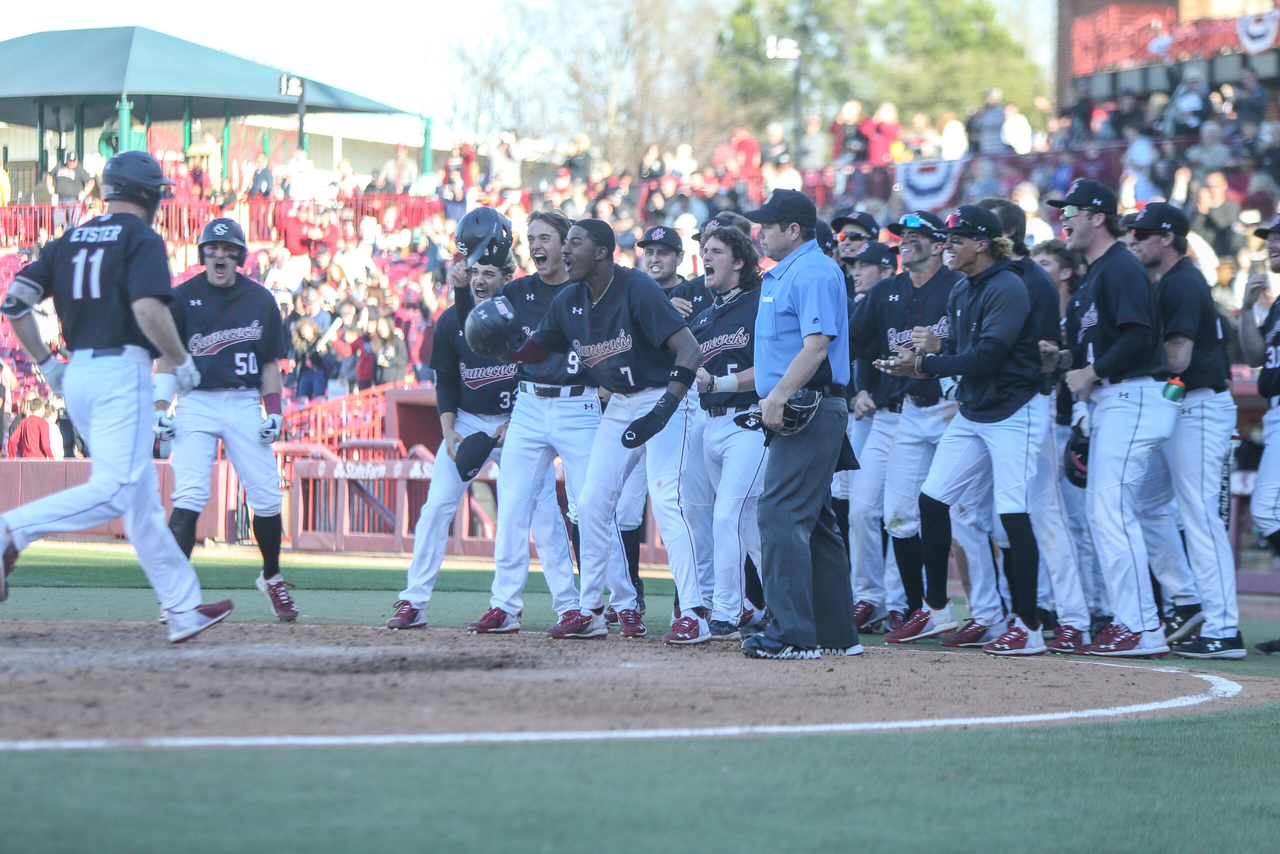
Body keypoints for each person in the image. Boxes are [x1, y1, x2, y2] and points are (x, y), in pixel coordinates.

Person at [0, 150, 232, 641]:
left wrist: (45, 364)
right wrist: (183, 361)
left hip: (77, 373)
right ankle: (9, 530)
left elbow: (15, 302)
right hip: (121, 372)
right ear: (147, 193)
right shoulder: (142, 237)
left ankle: (183, 609)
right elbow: (148, 308)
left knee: (142, 504)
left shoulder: (68, 238)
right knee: (119, 491)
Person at [479, 219, 703, 643]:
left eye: (575, 244)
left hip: (668, 396)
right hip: (621, 403)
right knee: (592, 506)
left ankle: (694, 611)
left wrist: (662, 412)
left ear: (601, 251)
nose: (565, 251)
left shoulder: (637, 287)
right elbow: (533, 350)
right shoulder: (568, 301)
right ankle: (591, 612)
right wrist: (499, 341)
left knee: (668, 501)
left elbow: (689, 351)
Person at [387, 213, 576, 632]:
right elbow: (447, 381)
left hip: (519, 425)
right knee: (436, 508)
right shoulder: (452, 321)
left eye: (489, 272)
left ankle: (568, 606)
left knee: (544, 518)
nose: (479, 279)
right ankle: (413, 601)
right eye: (473, 271)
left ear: (507, 276)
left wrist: (517, 424)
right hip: (470, 421)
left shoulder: (520, 314)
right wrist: (448, 428)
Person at [877, 205, 1050, 655]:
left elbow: (988, 357)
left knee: (1012, 515)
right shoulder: (965, 288)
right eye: (948, 239)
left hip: (1016, 409)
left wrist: (924, 363)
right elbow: (962, 347)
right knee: (932, 501)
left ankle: (1029, 626)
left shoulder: (1008, 286)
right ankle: (936, 608)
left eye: (957, 239)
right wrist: (924, 359)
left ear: (983, 243)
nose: (948, 246)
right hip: (976, 409)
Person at [450, 209, 631, 636]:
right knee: (512, 508)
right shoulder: (517, 291)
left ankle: (624, 603)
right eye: (531, 237)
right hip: (529, 405)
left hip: (579, 404)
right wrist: (461, 292)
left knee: (593, 510)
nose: (536, 245)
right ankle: (505, 607)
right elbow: (475, 333)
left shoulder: (585, 289)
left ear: (567, 244)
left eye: (545, 237)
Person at [1043, 179, 1175, 658]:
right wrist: (1061, 360)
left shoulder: (1119, 267)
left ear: (1098, 216)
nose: (1063, 218)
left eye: (1071, 210)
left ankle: (1141, 627)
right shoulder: (1097, 273)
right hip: (1115, 400)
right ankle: (1136, 622)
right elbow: (1094, 349)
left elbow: (1140, 340)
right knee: (1110, 517)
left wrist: (1090, 371)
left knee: (1112, 515)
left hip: (1132, 396)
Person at [153, 218, 295, 622]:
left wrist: (275, 412)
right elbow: (166, 356)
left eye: (228, 249)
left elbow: (269, 363)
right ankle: (176, 598)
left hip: (245, 401)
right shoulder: (180, 298)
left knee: (267, 495)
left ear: (239, 257)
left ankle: (271, 576)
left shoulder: (261, 300)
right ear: (203, 254)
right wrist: (161, 408)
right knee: (190, 495)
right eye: (213, 248)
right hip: (196, 402)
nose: (220, 255)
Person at [739, 189, 859, 660]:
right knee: (818, 520)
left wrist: (780, 395)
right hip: (802, 407)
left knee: (780, 513)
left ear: (793, 230)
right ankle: (835, 634)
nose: (760, 232)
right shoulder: (786, 273)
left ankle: (790, 635)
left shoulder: (811, 270)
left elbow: (816, 345)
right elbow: (781, 355)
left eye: (768, 225)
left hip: (809, 407)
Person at [1128, 203, 1241, 659]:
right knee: (1145, 501)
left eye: (1143, 234)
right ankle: (1188, 599)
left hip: (1197, 406)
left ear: (1167, 238)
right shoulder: (1171, 281)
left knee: (1198, 515)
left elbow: (1178, 363)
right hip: (1182, 406)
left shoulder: (1181, 282)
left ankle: (1225, 628)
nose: (1134, 241)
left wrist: (1133, 349)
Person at [980, 197, 1091, 653]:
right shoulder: (985, 278)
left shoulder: (1034, 280)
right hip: (989, 409)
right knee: (996, 520)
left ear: (1000, 234)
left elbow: (1053, 351)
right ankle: (1021, 610)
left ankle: (1074, 619)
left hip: (1029, 406)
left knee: (1046, 518)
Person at [690, 226, 768, 640]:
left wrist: (720, 383)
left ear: (739, 261)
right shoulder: (705, 315)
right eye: (704, 251)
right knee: (748, 525)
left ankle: (728, 607)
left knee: (728, 515)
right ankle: (774, 606)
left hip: (749, 422)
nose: (706, 256)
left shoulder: (759, 305)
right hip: (712, 426)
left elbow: (774, 369)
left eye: (716, 251)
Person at [842, 239, 909, 634]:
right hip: (881, 414)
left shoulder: (924, 292)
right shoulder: (879, 298)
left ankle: (900, 602)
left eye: (865, 264)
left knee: (902, 515)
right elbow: (858, 348)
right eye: (855, 263)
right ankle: (869, 596)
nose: (856, 270)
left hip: (922, 413)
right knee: (863, 510)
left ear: (887, 269)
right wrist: (859, 390)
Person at [1244, 212, 1280, 657]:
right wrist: (1248, 309)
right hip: (1273, 410)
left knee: (1267, 508)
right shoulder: (1276, 307)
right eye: (1270, 239)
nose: (1273, 245)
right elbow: (1255, 357)